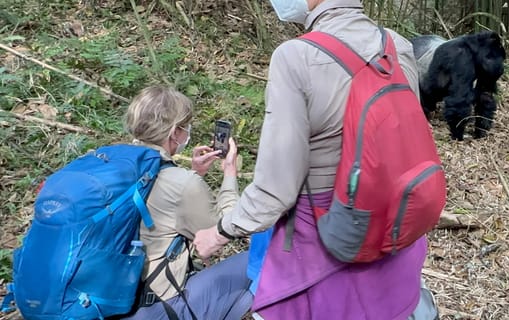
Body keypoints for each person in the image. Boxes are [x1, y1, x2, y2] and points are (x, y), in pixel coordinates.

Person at [192, 0, 440, 319]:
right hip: (396, 247)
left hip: (323, 258)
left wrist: (219, 232)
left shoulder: (296, 57)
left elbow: (275, 191)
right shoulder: (398, 45)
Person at [119, 85, 253, 320]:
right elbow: (225, 227)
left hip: (112, 299)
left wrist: (195, 174)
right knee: (259, 260)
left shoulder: (115, 164)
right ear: (175, 132)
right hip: (155, 307)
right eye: (185, 126)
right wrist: (230, 172)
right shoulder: (181, 184)